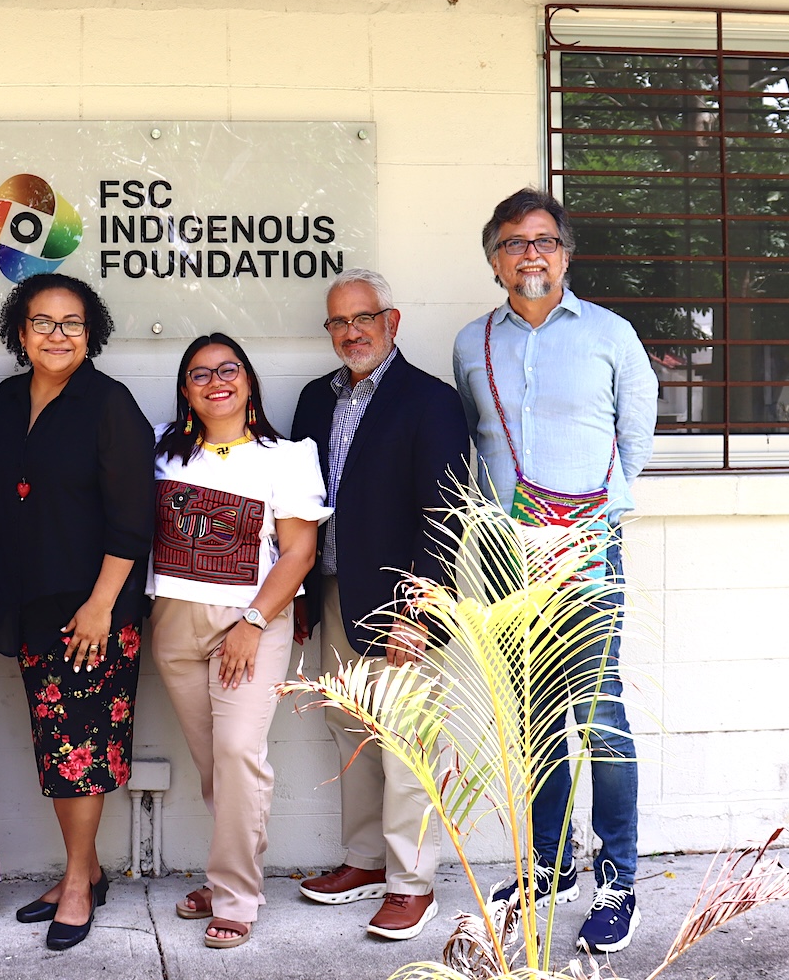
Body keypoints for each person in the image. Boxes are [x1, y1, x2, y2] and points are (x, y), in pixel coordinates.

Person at [452, 188, 657, 953]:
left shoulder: (611, 335)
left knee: (599, 716)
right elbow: (474, 442)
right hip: (510, 555)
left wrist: (590, 513)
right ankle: (549, 865)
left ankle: (619, 880)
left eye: (543, 240)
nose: (530, 254)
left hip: (589, 548)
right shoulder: (471, 344)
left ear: (566, 254)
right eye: (513, 242)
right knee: (534, 720)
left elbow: (634, 435)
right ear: (495, 260)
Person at [289, 268, 470, 941]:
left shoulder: (431, 401)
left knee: (407, 745)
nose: (351, 332)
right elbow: (301, 501)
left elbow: (445, 513)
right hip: (335, 591)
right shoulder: (316, 399)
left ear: (391, 322)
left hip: (401, 603)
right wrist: (303, 592)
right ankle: (365, 860)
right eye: (338, 322)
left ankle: (411, 883)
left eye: (363, 317)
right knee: (350, 730)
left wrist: (417, 611)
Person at [0, 273, 153, 952]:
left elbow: (133, 518)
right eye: (42, 322)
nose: (57, 335)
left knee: (82, 751)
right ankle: (86, 869)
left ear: (90, 332)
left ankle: (79, 881)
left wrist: (102, 605)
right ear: (20, 333)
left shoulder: (109, 403)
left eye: (71, 323)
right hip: (32, 602)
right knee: (58, 746)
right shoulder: (8, 397)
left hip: (91, 610)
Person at [149, 333, 324, 950]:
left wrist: (252, 622)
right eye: (200, 374)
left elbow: (299, 553)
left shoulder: (287, 456)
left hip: (251, 622)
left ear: (249, 381)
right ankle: (229, 872)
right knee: (214, 764)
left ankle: (235, 896)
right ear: (185, 389)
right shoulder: (160, 450)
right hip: (174, 623)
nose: (215, 382)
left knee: (239, 755)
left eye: (228, 370)